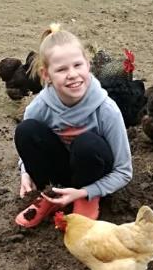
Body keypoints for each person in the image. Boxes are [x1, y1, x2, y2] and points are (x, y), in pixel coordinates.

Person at [14, 24, 132, 227]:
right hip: (61, 171)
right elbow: (27, 153)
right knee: (26, 131)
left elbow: (124, 171)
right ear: (46, 75)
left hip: (92, 175)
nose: (72, 74)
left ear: (88, 64)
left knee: (86, 143)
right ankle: (51, 195)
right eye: (61, 69)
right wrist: (25, 172)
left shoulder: (106, 110)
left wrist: (85, 191)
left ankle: (86, 199)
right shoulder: (38, 107)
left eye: (78, 65)